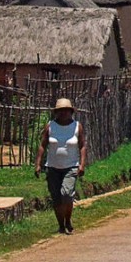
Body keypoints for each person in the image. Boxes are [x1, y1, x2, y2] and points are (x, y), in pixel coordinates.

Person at [34, 98, 87, 234]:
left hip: (70, 167)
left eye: (66, 111)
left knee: (67, 194)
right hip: (52, 167)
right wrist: (38, 164)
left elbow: (82, 146)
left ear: (71, 112)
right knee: (56, 197)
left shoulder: (76, 126)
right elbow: (42, 145)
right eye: (60, 111)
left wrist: (82, 164)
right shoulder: (50, 126)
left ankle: (68, 220)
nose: (63, 113)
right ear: (56, 113)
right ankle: (61, 225)